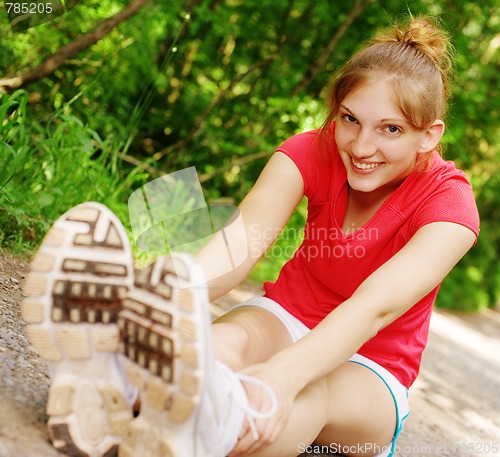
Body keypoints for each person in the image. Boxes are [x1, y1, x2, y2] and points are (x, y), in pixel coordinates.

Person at [22, 15, 480, 457]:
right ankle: (109, 386)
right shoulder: (312, 150)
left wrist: (282, 376)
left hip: (373, 366)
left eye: (391, 130)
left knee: (305, 390)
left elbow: (374, 305)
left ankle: (203, 429)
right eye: (349, 119)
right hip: (285, 315)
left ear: (428, 135)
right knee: (225, 344)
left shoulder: (450, 205)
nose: (361, 147)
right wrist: (173, 300)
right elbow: (242, 240)